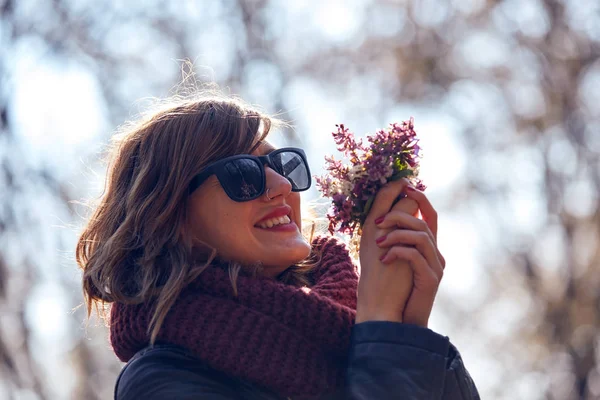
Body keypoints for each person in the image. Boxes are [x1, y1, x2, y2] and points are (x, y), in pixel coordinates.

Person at [76, 93, 480, 399]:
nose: (283, 187)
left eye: (282, 165)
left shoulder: (342, 332)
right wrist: (383, 327)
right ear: (168, 216)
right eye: (243, 174)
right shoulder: (162, 380)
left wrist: (406, 332)